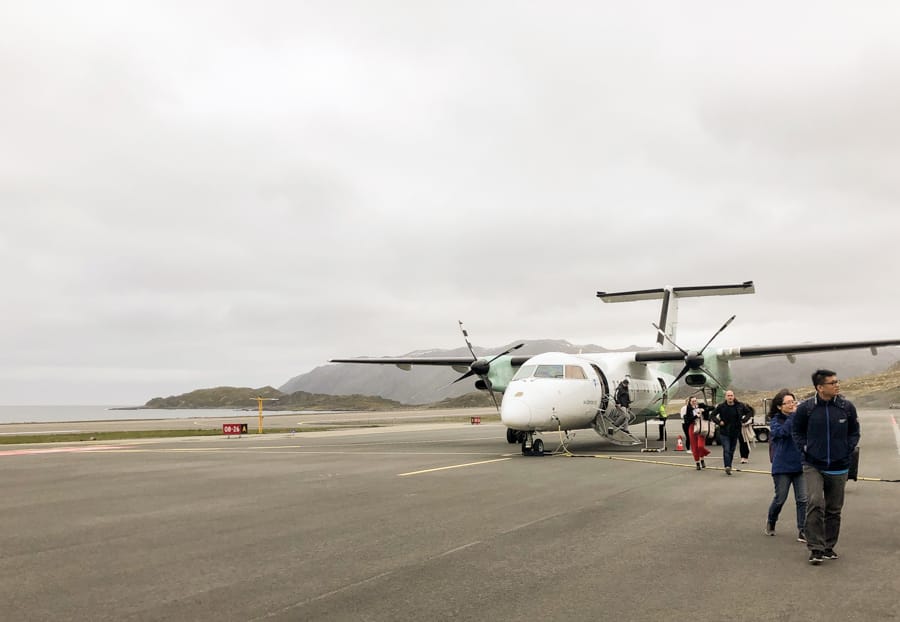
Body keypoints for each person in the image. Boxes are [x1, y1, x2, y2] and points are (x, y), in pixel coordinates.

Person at [792, 369, 860, 565]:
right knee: (814, 502)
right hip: (813, 464)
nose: (837, 385)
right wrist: (805, 448)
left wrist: (847, 449)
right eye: (832, 383)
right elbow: (797, 432)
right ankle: (815, 548)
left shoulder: (847, 407)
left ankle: (828, 546)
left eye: (837, 381)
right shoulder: (806, 409)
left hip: (839, 465)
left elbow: (854, 432)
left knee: (834, 509)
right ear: (820, 387)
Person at [765, 389, 807, 542]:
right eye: (788, 403)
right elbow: (783, 433)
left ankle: (803, 530)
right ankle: (771, 520)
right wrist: (794, 416)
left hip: (800, 464)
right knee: (780, 498)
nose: (791, 405)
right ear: (779, 406)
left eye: (793, 402)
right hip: (782, 466)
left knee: (803, 499)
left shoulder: (800, 418)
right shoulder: (775, 421)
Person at [711, 389, 753, 475]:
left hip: (735, 431)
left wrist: (744, 419)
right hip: (724, 431)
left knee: (731, 450)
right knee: (726, 449)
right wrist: (719, 422)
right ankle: (727, 466)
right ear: (725, 397)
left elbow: (749, 412)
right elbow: (712, 415)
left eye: (731, 395)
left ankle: (729, 465)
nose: (730, 397)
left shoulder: (740, 405)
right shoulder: (721, 406)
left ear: (734, 396)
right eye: (728, 396)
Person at [684, 396, 710, 469]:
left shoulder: (701, 405)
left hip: (701, 427)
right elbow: (687, 420)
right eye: (693, 401)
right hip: (692, 427)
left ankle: (702, 457)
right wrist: (695, 416)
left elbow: (711, 408)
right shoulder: (688, 409)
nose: (694, 402)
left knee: (700, 446)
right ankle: (697, 462)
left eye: (695, 401)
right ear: (690, 402)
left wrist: (703, 410)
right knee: (694, 446)